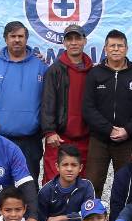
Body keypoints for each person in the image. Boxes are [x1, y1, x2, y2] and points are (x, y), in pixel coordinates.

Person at [0, 21, 49, 182]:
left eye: (20, 36)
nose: (17, 40)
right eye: (12, 36)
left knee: (28, 184)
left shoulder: (40, 66)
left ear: (26, 39)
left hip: (30, 141)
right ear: (5, 39)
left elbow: (49, 100)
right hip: (0, 139)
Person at [83, 29, 132, 195]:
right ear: (105, 49)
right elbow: (88, 108)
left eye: (120, 46)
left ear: (126, 49)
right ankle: (93, 219)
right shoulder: (95, 73)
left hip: (127, 140)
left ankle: (123, 220)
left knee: (127, 186)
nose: (116, 49)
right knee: (93, 184)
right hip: (99, 139)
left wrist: (127, 130)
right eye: (112, 46)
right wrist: (109, 129)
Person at [40, 24, 93, 182]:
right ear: (64, 43)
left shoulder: (94, 72)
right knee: (53, 182)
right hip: (59, 139)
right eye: (69, 39)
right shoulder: (54, 71)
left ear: (85, 41)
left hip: (86, 138)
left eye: (78, 38)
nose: (74, 42)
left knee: (82, 184)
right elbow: (47, 102)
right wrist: (49, 132)